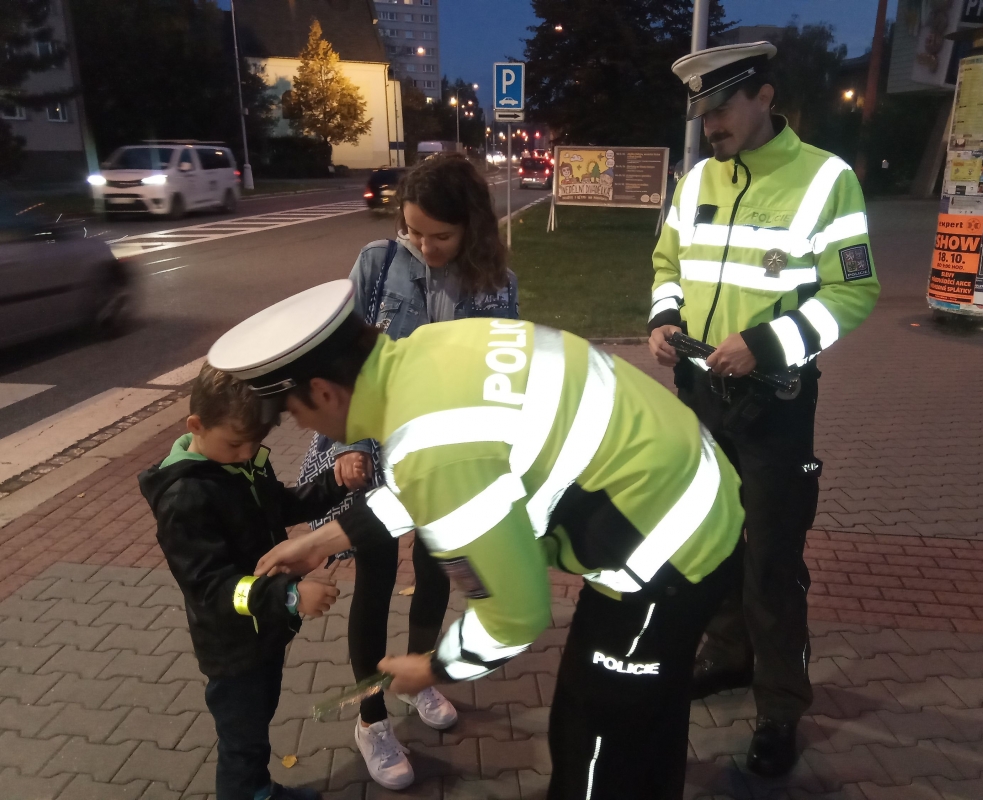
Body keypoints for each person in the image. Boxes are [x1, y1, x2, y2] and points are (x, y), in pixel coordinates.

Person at [206, 280, 745, 800]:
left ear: (323, 392)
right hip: (693, 485)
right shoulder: (428, 351)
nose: (299, 422)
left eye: (294, 412)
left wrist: (435, 667)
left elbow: (514, 615)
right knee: (646, 705)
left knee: (598, 734)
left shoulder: (432, 448)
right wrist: (324, 540)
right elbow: (451, 477)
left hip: (668, 553)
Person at [647, 42, 881, 776]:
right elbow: (665, 263)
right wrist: (662, 317)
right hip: (701, 395)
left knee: (772, 564)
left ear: (764, 97)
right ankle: (725, 655)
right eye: (701, 112)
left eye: (719, 109)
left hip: (775, 403)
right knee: (714, 542)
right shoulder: (694, 180)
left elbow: (853, 292)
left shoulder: (824, 180)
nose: (708, 124)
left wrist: (766, 345)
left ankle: (779, 710)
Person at [294, 153, 519, 790]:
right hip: (372, 448)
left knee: (432, 570)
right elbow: (347, 359)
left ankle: (416, 676)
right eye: (413, 231)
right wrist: (354, 442)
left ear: (472, 227)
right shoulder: (378, 263)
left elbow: (501, 376)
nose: (424, 245)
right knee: (372, 576)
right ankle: (370, 717)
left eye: (439, 236)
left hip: (445, 453)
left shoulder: (499, 283)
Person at [138, 365, 352, 800]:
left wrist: (333, 482)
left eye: (255, 443)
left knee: (255, 725)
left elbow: (279, 505)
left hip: (263, 632)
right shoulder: (185, 498)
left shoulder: (240, 464)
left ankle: (259, 789)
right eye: (235, 443)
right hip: (232, 647)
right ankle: (246, 791)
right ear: (196, 426)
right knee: (241, 741)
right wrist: (290, 596)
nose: (246, 453)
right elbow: (213, 588)